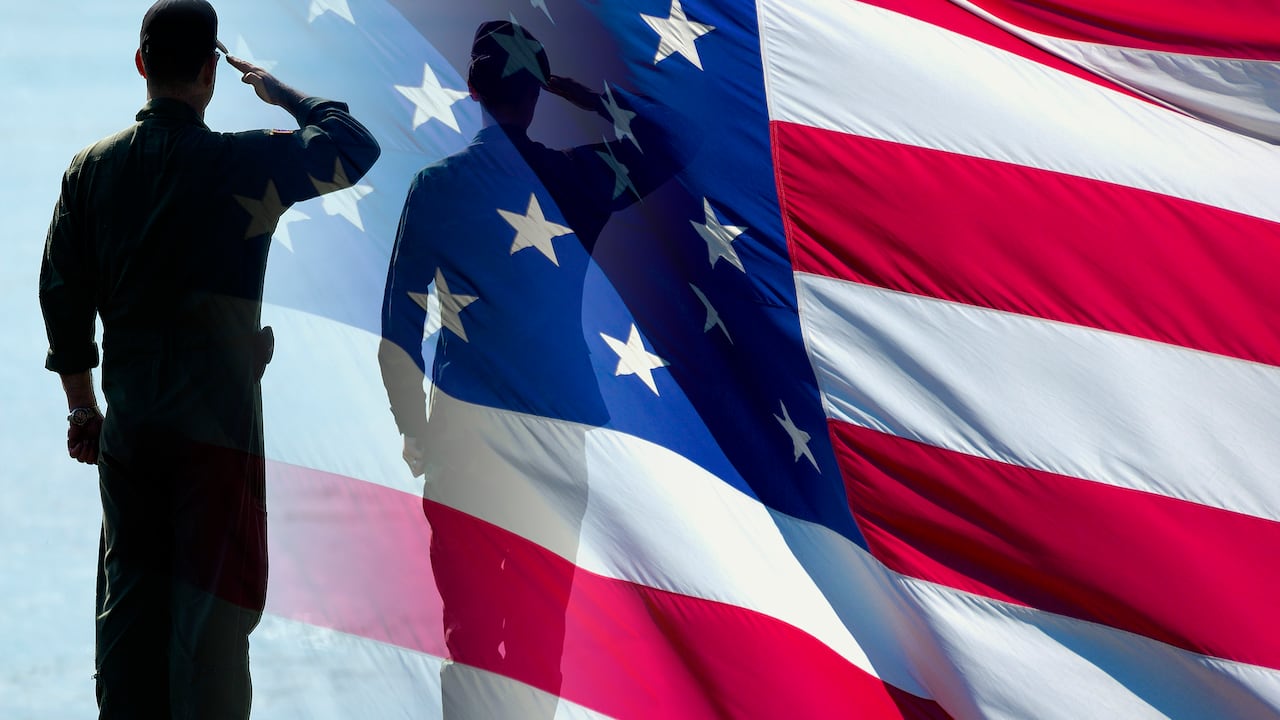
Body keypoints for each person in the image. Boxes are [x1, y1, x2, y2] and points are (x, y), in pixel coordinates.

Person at [38, 1, 380, 717]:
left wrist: (82, 406)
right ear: (209, 73)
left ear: (140, 65)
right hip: (219, 440)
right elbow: (353, 143)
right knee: (214, 629)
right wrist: (281, 90)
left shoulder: (89, 171)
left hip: (129, 434)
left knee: (129, 620)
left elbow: (62, 295)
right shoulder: (245, 161)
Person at [378, 20, 683, 718]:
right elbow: (667, 146)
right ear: (536, 92)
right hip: (556, 436)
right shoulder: (580, 177)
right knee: (543, 638)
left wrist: (415, 430)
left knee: (472, 638)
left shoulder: (435, 189)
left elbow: (398, 333)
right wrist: (591, 98)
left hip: (462, 440)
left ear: (473, 89)